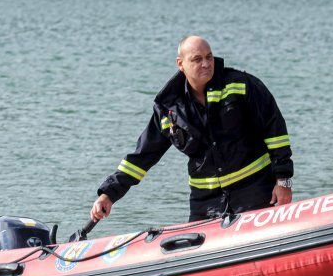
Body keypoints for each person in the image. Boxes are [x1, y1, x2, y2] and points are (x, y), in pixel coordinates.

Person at [91, 35, 294, 222]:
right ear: (181, 64)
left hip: (255, 191)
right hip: (206, 204)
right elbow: (142, 156)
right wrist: (108, 194)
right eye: (197, 59)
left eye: (209, 57)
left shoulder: (241, 85)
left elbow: (275, 132)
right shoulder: (169, 109)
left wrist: (283, 181)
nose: (206, 64)